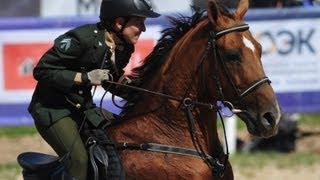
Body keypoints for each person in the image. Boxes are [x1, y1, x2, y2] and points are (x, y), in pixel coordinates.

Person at [28, 0, 160, 179]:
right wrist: (84, 78)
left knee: (126, 134)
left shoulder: (125, 46)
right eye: (138, 23)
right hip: (54, 110)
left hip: (83, 108)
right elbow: (42, 70)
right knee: (79, 160)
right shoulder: (82, 39)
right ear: (119, 23)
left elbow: (111, 79)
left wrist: (140, 93)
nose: (143, 29)